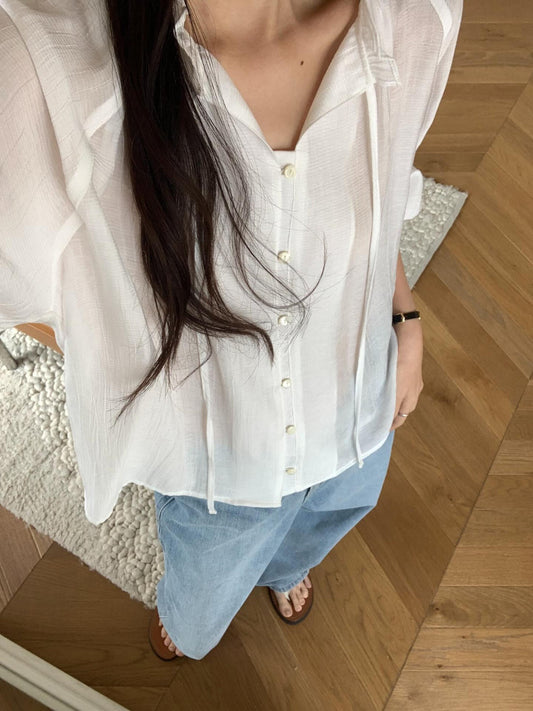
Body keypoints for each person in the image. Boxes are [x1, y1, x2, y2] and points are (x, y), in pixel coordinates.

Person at [0, 0, 462, 661]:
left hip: (360, 417)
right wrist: (124, 349)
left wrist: (404, 319)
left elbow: (379, 195)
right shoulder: (42, 69)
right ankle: (188, 620)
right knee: (200, 604)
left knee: (320, 527)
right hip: (218, 464)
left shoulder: (419, 19)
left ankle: (285, 568)